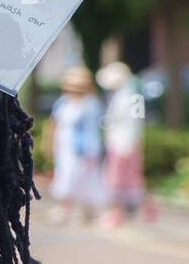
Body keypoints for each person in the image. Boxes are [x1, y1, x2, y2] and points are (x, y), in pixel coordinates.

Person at [48, 65, 105, 223]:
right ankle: (65, 207)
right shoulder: (62, 102)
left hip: (82, 150)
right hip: (64, 147)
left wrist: (91, 151)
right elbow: (54, 124)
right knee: (65, 175)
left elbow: (92, 131)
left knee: (84, 178)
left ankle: (86, 210)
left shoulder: (91, 104)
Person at [97, 61, 146, 227]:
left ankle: (117, 213)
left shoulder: (133, 97)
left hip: (124, 145)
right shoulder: (122, 95)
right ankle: (123, 212)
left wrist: (129, 144)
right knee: (126, 180)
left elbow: (136, 123)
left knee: (118, 181)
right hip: (119, 143)